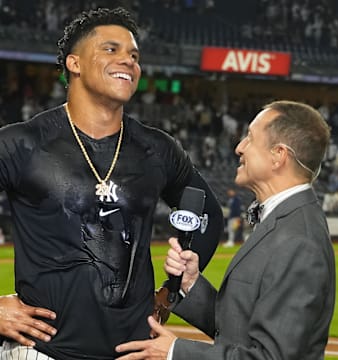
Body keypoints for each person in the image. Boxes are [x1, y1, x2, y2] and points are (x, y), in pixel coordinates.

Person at [0, 7, 223, 360]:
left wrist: (171, 292)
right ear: (74, 63)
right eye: (111, 49)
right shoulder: (20, 143)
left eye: (134, 55)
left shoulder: (158, 149)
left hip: (134, 351)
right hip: (43, 352)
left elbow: (209, 214)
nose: (128, 61)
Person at [115, 100, 336, 360]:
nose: (239, 147)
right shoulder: (285, 223)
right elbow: (238, 330)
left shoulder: (299, 241)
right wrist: (191, 283)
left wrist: (176, 352)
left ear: (278, 155)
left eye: (250, 138)